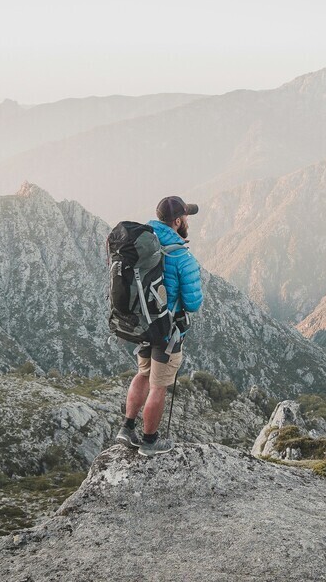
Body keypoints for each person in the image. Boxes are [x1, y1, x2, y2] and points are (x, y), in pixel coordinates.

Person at [116, 195, 203, 456]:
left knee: (142, 374)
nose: (187, 221)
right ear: (178, 221)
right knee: (158, 385)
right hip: (166, 331)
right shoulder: (181, 256)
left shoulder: (142, 244)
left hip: (141, 325)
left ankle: (127, 428)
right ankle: (150, 441)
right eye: (186, 217)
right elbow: (193, 302)